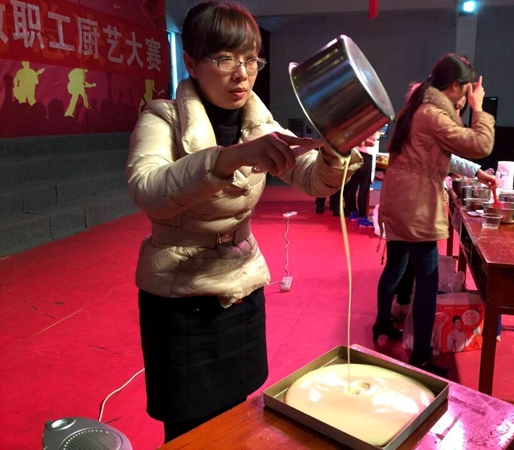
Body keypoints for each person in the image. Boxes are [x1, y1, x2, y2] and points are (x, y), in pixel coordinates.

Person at [126, 2, 362, 443]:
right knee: (190, 431)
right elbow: (148, 190)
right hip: (182, 299)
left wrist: (335, 152)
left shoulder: (259, 122)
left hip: (241, 289)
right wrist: (227, 159)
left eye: (251, 60)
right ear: (190, 62)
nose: (242, 74)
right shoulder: (162, 117)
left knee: (238, 417)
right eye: (224, 59)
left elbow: (313, 180)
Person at [374, 54, 495, 377]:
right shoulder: (432, 114)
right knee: (426, 283)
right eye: (466, 89)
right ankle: (421, 356)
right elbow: (480, 143)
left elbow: (443, 153)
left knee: (396, 267)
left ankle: (382, 322)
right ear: (455, 85)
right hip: (417, 206)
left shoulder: (417, 107)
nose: (467, 96)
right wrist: (479, 109)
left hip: (398, 200)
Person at [345, 132, 379, 227]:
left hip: (352, 154)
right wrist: (378, 134)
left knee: (352, 186)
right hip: (365, 154)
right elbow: (373, 138)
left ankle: (353, 212)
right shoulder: (370, 125)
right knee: (363, 188)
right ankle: (362, 217)